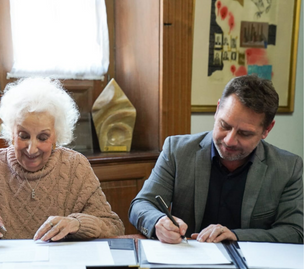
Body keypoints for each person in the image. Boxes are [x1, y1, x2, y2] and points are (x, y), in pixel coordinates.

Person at [0, 77, 125, 254]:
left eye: (43, 138)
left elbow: (114, 227)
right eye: (23, 135)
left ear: (57, 136)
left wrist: (78, 224)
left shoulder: (76, 166)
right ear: (11, 133)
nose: (32, 148)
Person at [129, 74, 302, 244]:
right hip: (188, 262)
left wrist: (236, 236)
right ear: (217, 109)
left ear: (267, 129)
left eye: (244, 133)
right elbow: (141, 205)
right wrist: (158, 221)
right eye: (224, 126)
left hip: (251, 268)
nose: (229, 140)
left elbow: (295, 231)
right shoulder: (177, 150)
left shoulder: (287, 167)